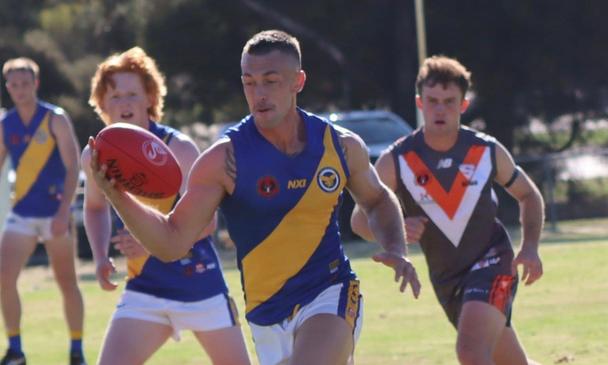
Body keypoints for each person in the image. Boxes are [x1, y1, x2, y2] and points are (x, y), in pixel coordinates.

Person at [88, 30, 421, 365]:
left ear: (298, 81)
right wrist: (116, 195)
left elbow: (377, 200)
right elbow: (172, 243)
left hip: (330, 293)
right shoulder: (224, 160)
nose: (258, 93)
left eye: (270, 81)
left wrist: (395, 247)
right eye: (250, 82)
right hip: (265, 313)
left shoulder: (339, 146)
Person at [351, 55, 544, 365]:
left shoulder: (486, 150)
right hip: (447, 279)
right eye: (433, 101)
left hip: (493, 263)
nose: (440, 109)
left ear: (463, 105)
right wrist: (395, 229)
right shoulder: (396, 160)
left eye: (449, 101)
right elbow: (359, 219)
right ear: (420, 103)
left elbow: (529, 195)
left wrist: (531, 248)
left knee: (469, 352)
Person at [83, 47, 250, 365]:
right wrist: (101, 255)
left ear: (150, 97)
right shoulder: (93, 156)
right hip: (145, 289)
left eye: (132, 93)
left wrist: (147, 244)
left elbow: (208, 224)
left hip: (199, 285)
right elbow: (93, 208)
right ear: (102, 104)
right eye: (115, 96)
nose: (124, 103)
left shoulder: (180, 149)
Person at [0, 58, 86, 365]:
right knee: (4, 278)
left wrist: (64, 211)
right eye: (13, 84)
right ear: (7, 86)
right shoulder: (6, 123)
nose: (19, 89)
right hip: (22, 212)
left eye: (25, 83)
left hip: (55, 212)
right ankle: (16, 350)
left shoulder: (55, 118)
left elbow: (73, 164)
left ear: (35, 84)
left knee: (67, 282)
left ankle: (77, 350)